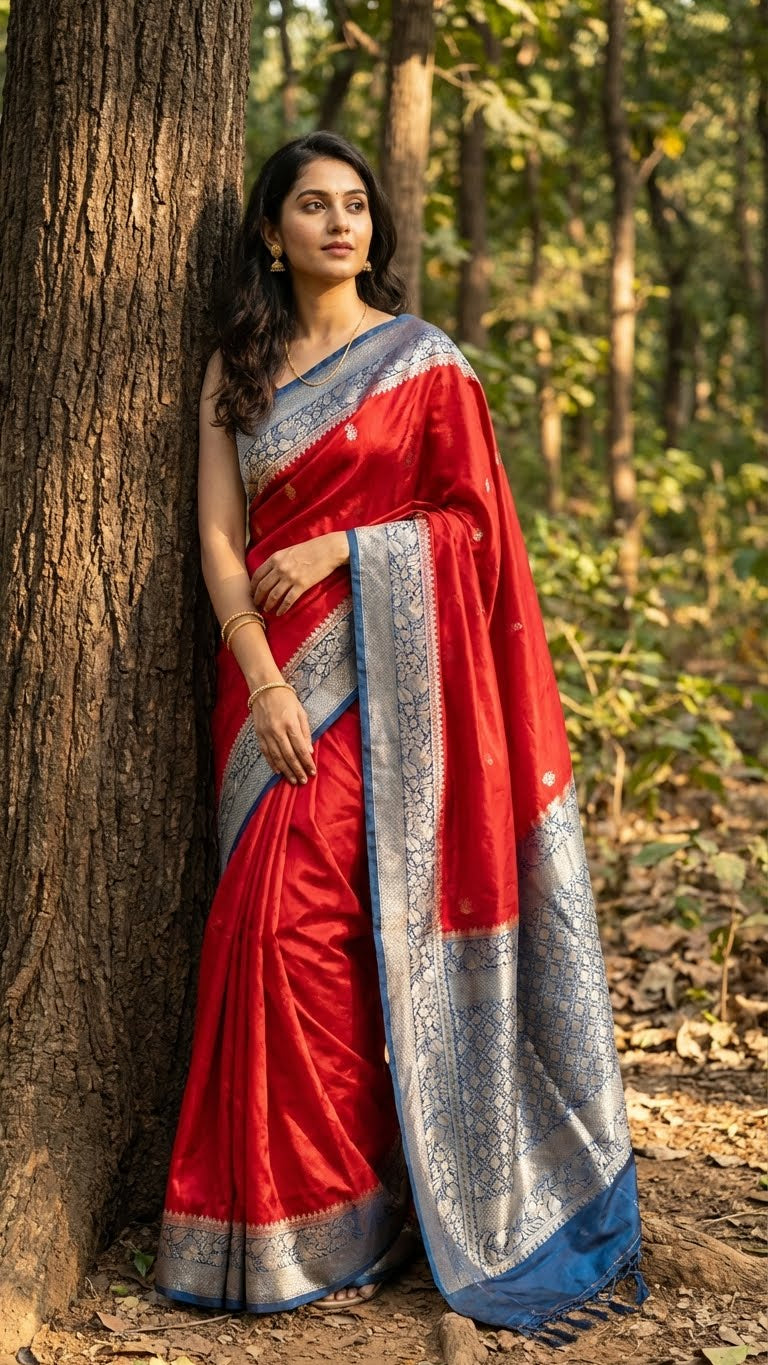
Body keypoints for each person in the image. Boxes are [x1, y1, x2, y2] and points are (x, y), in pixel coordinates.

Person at [154, 131, 646, 1343]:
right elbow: (221, 541)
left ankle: (359, 1206)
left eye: (356, 205)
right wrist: (261, 673)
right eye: (312, 206)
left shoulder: (427, 363)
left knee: (326, 936)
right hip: (269, 691)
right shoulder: (241, 366)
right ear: (272, 232)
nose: (339, 223)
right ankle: (282, 1221)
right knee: (262, 933)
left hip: (401, 699)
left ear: (376, 228)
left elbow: (477, 533)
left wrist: (344, 548)